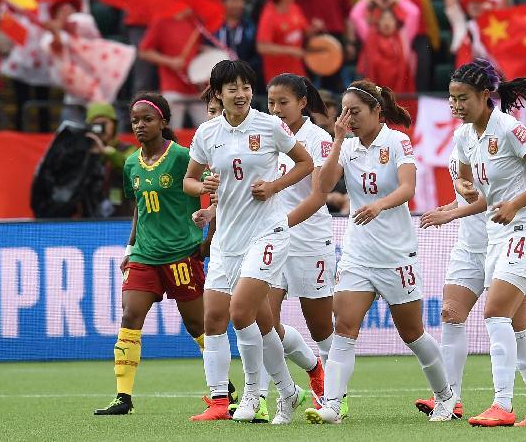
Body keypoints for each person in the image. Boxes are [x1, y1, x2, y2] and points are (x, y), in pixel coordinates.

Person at [421, 59, 526, 427]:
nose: (454, 105)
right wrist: (456, 207)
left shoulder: (509, 128)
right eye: (451, 98)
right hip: (496, 235)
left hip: (525, 232)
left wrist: (516, 203)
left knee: (495, 313)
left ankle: (503, 403)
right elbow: (482, 195)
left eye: (462, 98)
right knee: (517, 325)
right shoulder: (464, 136)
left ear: (486, 96)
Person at [305, 80, 458, 424]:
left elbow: (408, 188)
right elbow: (321, 186)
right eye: (344, 112)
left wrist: (378, 205)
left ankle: (446, 398)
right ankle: (332, 405)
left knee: (413, 334)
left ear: (377, 111)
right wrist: (338, 139)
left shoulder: (397, 140)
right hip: (358, 254)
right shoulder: (345, 144)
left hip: (395, 255)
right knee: (343, 327)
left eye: (355, 112)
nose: (348, 118)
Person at [186, 60, 314, 424]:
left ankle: (254, 396)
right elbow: (189, 180)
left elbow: (305, 164)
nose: (241, 94)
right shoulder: (207, 134)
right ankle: (287, 393)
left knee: (240, 312)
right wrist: (203, 191)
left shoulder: (269, 125)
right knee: (217, 316)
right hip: (228, 239)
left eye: (245, 87)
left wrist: (273, 186)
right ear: (218, 94)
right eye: (232, 88)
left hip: (267, 233)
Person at [94, 93, 208, 415]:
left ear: (164, 122)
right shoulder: (131, 162)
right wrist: (130, 249)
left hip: (181, 254)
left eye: (147, 119)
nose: (140, 125)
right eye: (135, 120)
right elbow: (138, 209)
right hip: (145, 255)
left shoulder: (184, 157)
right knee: (130, 316)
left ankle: (223, 388)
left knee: (197, 325)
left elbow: (216, 191)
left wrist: (207, 241)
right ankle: (123, 397)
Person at [262, 74, 335, 411]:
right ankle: (263, 398)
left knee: (321, 327)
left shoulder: (318, 139)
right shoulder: (263, 134)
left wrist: (281, 223)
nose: (275, 110)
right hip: (272, 242)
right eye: (271, 102)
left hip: (309, 240)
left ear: (302, 103)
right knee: (261, 319)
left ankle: (335, 394)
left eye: (283, 103)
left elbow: (319, 196)